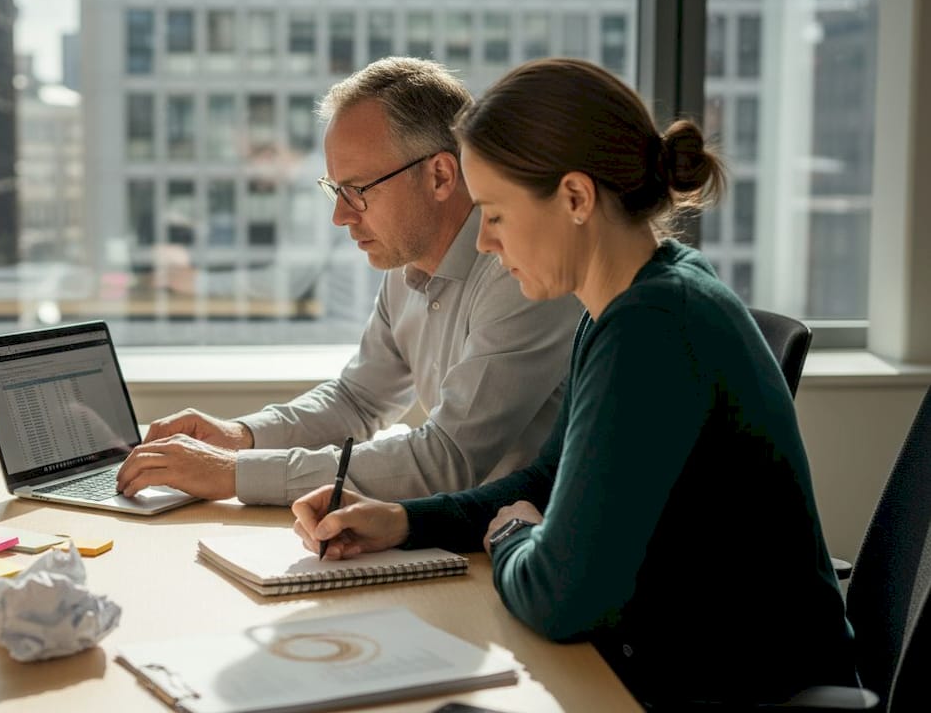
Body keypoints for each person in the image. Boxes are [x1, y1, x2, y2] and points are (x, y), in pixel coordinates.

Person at [292, 58, 857, 708]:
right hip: (657, 662)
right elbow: (540, 485)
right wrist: (403, 523)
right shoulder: (621, 306)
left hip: (733, 692)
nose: (484, 245)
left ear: (575, 199)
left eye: (496, 215)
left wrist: (507, 537)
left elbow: (561, 596)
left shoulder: (655, 327)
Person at [116, 58, 579, 505]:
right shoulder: (407, 270)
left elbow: (446, 460)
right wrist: (239, 437)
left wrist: (235, 473)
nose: (339, 216)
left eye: (358, 191)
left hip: (511, 545)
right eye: (335, 190)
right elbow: (357, 401)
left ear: (440, 175)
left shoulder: (519, 273)